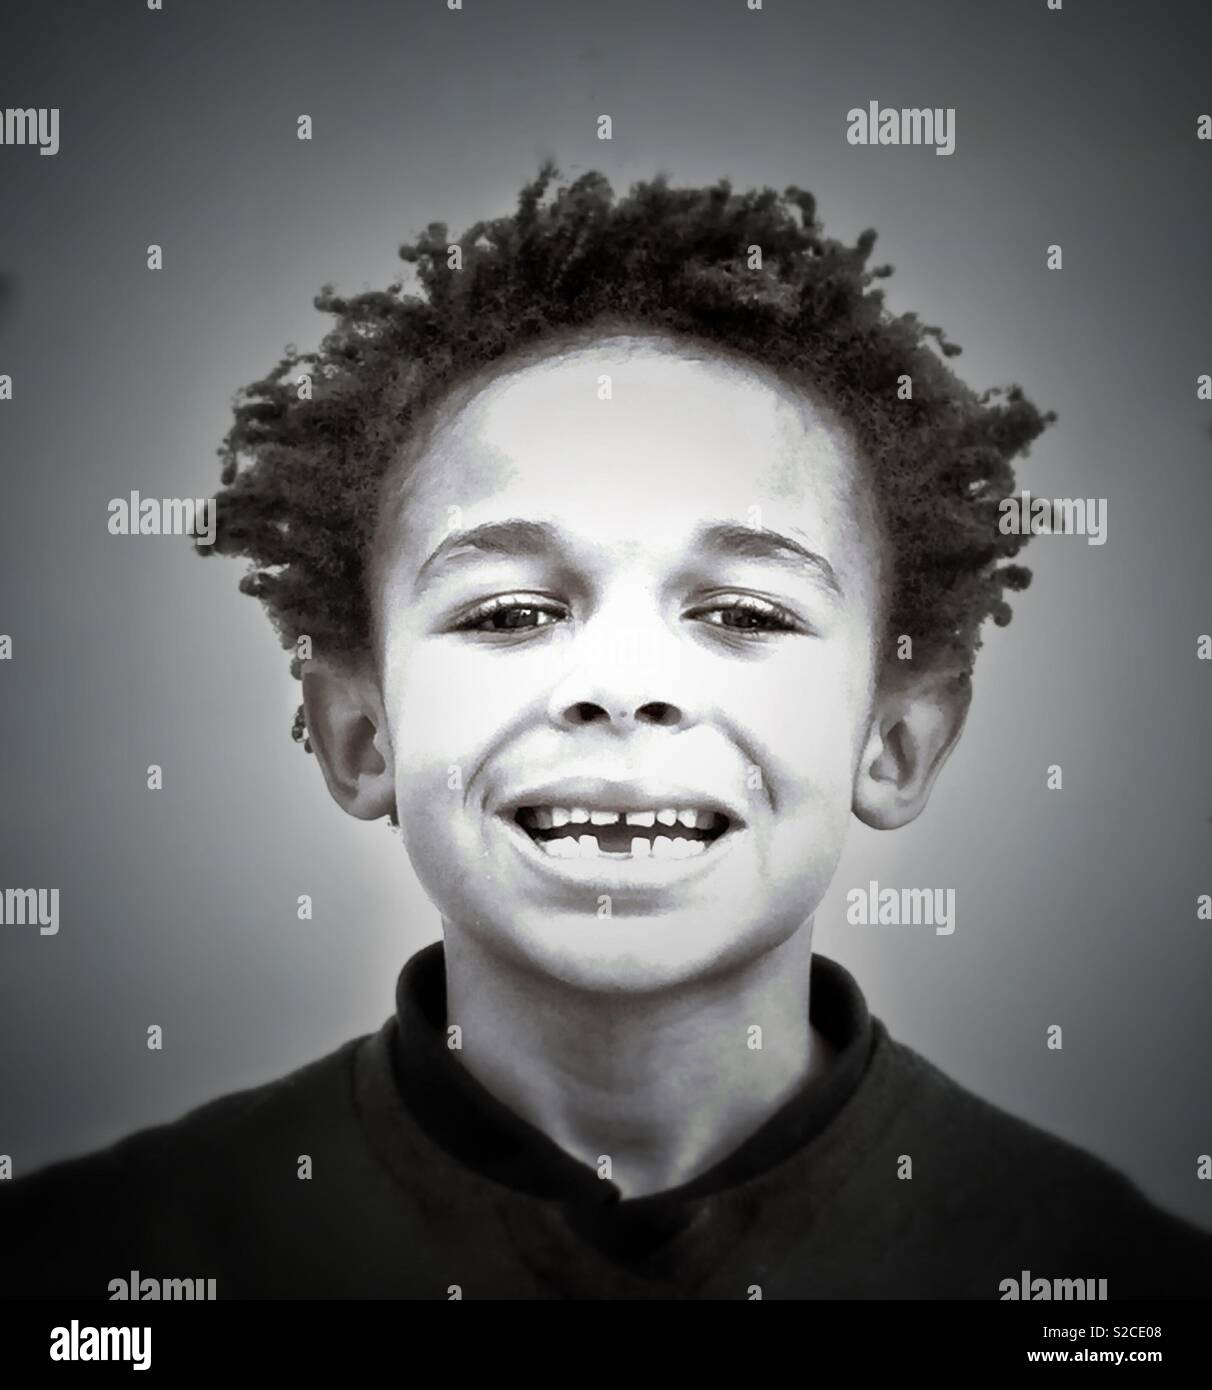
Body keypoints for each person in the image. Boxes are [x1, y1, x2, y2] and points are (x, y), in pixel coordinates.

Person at [3, 165, 1208, 1299]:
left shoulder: (1107, 1283)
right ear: (357, 732)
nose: (622, 686)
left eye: (742, 611)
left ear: (895, 741)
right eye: (513, 610)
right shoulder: (93, 1267)